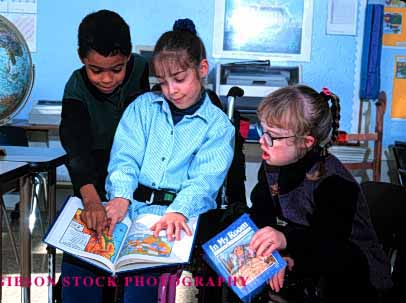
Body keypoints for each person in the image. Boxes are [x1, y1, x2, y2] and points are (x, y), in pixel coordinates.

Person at [104, 18, 235, 302]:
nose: (171, 90)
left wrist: (178, 211)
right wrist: (121, 196)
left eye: (179, 79)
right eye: (162, 82)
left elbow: (203, 181)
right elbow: (124, 159)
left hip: (178, 214)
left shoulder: (218, 127)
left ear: (202, 70)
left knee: (142, 274)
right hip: (131, 207)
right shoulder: (142, 108)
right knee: (83, 265)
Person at [247, 85, 393, 302]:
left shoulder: (335, 183)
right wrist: (278, 254)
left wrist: (286, 243)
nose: (262, 141)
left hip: (355, 280)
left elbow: (330, 244)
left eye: (273, 136)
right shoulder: (273, 163)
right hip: (308, 265)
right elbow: (262, 215)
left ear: (306, 142)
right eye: (262, 130)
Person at [58, 9, 149, 303]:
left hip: (140, 188)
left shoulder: (146, 72)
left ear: (129, 57)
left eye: (117, 69)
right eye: (96, 70)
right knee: (84, 267)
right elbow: (76, 149)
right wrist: (92, 201)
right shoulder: (75, 87)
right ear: (81, 57)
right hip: (92, 183)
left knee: (136, 276)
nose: (107, 79)